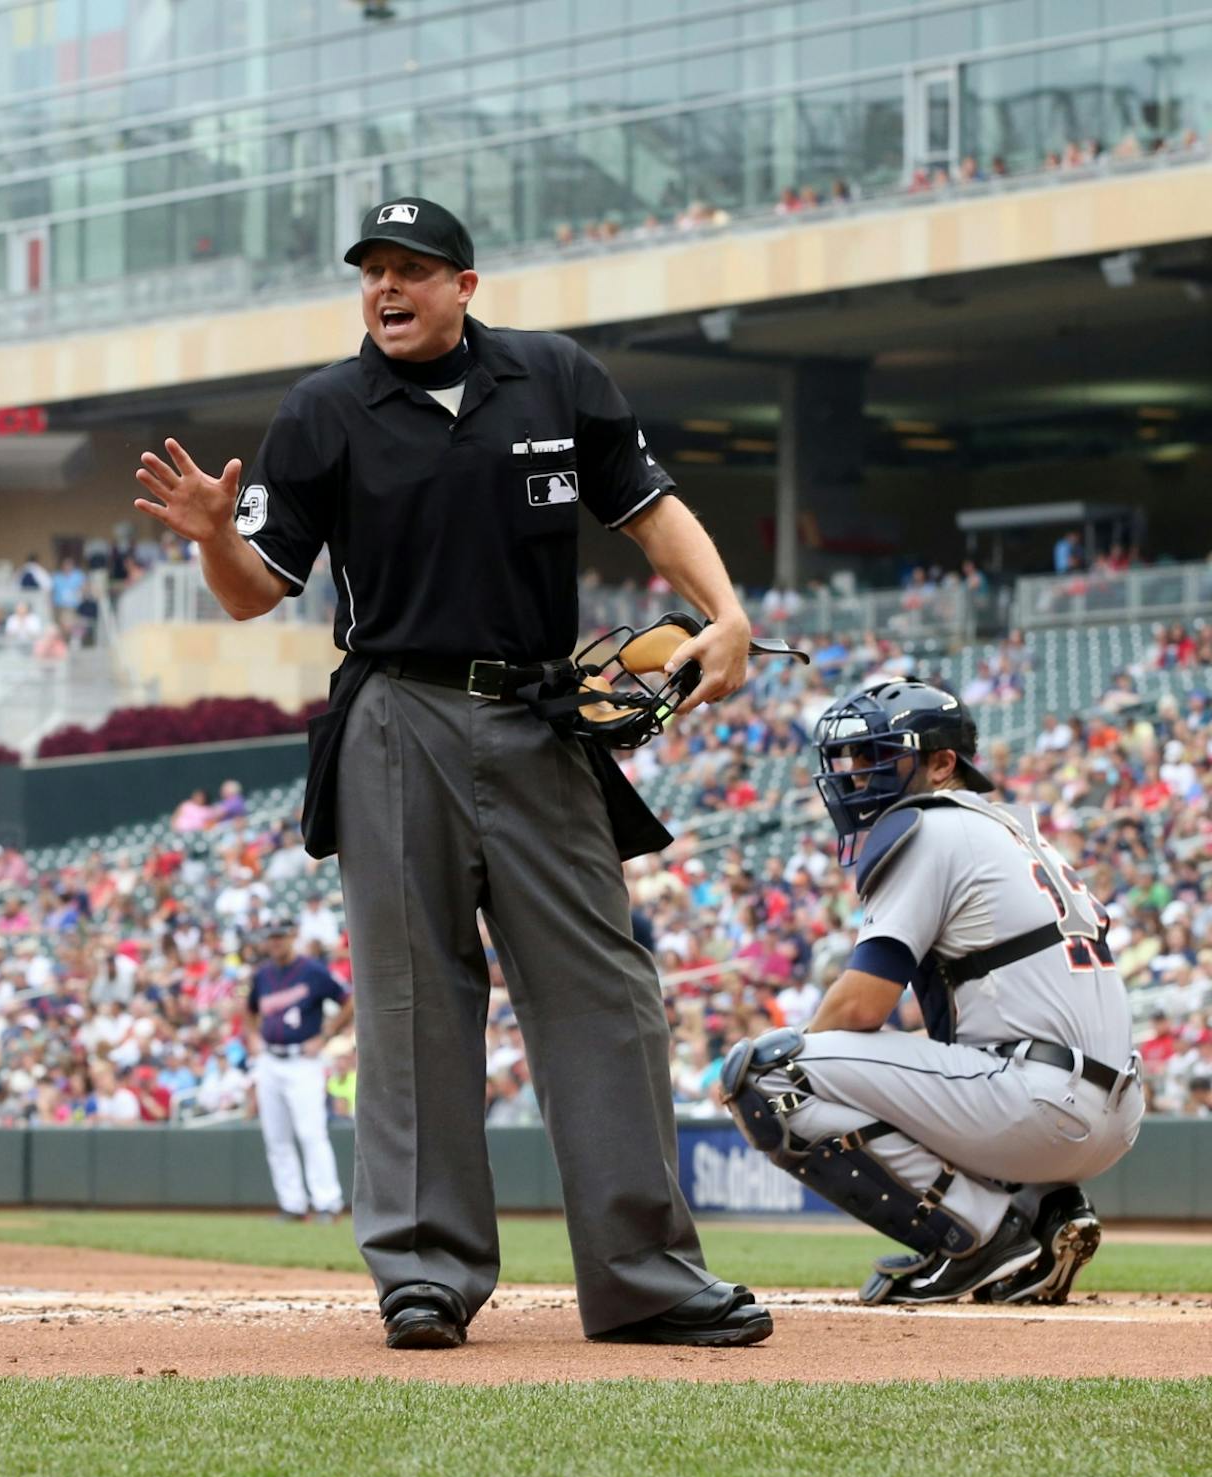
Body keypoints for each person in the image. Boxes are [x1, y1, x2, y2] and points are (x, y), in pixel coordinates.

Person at [133, 196, 770, 1349]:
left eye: (412, 269)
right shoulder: (324, 409)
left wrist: (726, 610)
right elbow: (250, 590)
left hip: (541, 713)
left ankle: (644, 1277)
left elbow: (648, 507)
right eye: (373, 269)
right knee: (414, 997)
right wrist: (215, 534)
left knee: (608, 997)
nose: (388, 287)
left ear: (463, 285)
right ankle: (424, 1273)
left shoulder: (554, 377)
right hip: (397, 713)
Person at [721, 680, 1144, 1305]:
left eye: (878, 757)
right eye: (854, 761)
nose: (859, 777)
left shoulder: (931, 826)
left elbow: (863, 1005)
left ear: (942, 763)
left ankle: (981, 1235)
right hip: (1112, 1105)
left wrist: (812, 1060)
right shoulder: (1014, 831)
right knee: (918, 1062)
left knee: (768, 1073)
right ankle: (1046, 1210)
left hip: (1039, 1102)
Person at [248, 923, 353, 1221]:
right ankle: (292, 1205)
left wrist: (328, 1033)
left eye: (280, 936)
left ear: (292, 936)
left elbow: (349, 1000)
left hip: (303, 1062)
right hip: (270, 1060)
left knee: (311, 1133)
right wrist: (252, 1036)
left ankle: (327, 1203)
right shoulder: (262, 975)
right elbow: (249, 1011)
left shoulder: (312, 970)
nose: (276, 942)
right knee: (276, 1138)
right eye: (271, 938)